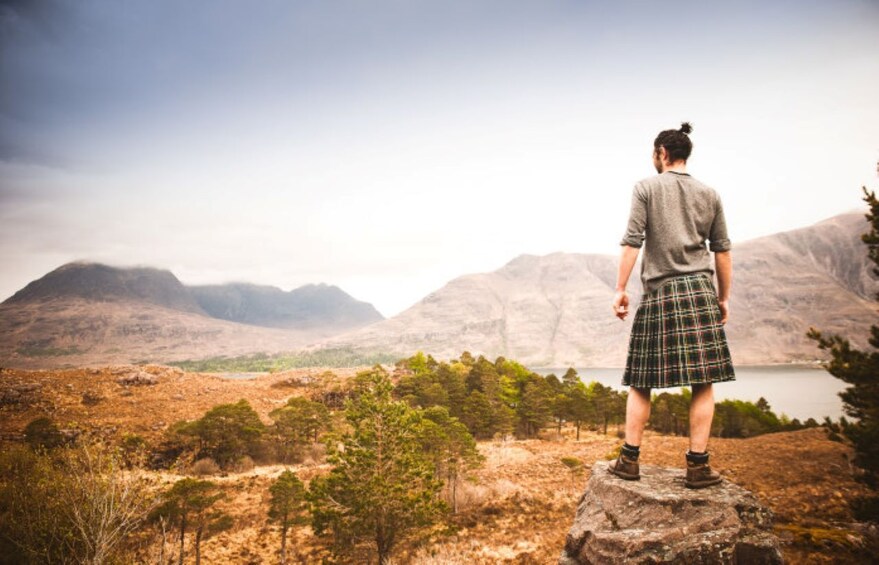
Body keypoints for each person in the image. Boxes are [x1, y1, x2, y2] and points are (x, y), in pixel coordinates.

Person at [608, 122, 735, 489]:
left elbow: (632, 241)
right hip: (699, 291)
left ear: (662, 153)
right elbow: (722, 250)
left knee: (640, 380)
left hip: (660, 291)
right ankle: (697, 466)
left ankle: (629, 460)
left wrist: (619, 288)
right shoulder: (709, 194)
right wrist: (723, 297)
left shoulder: (646, 187)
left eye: (654, 154)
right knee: (703, 382)